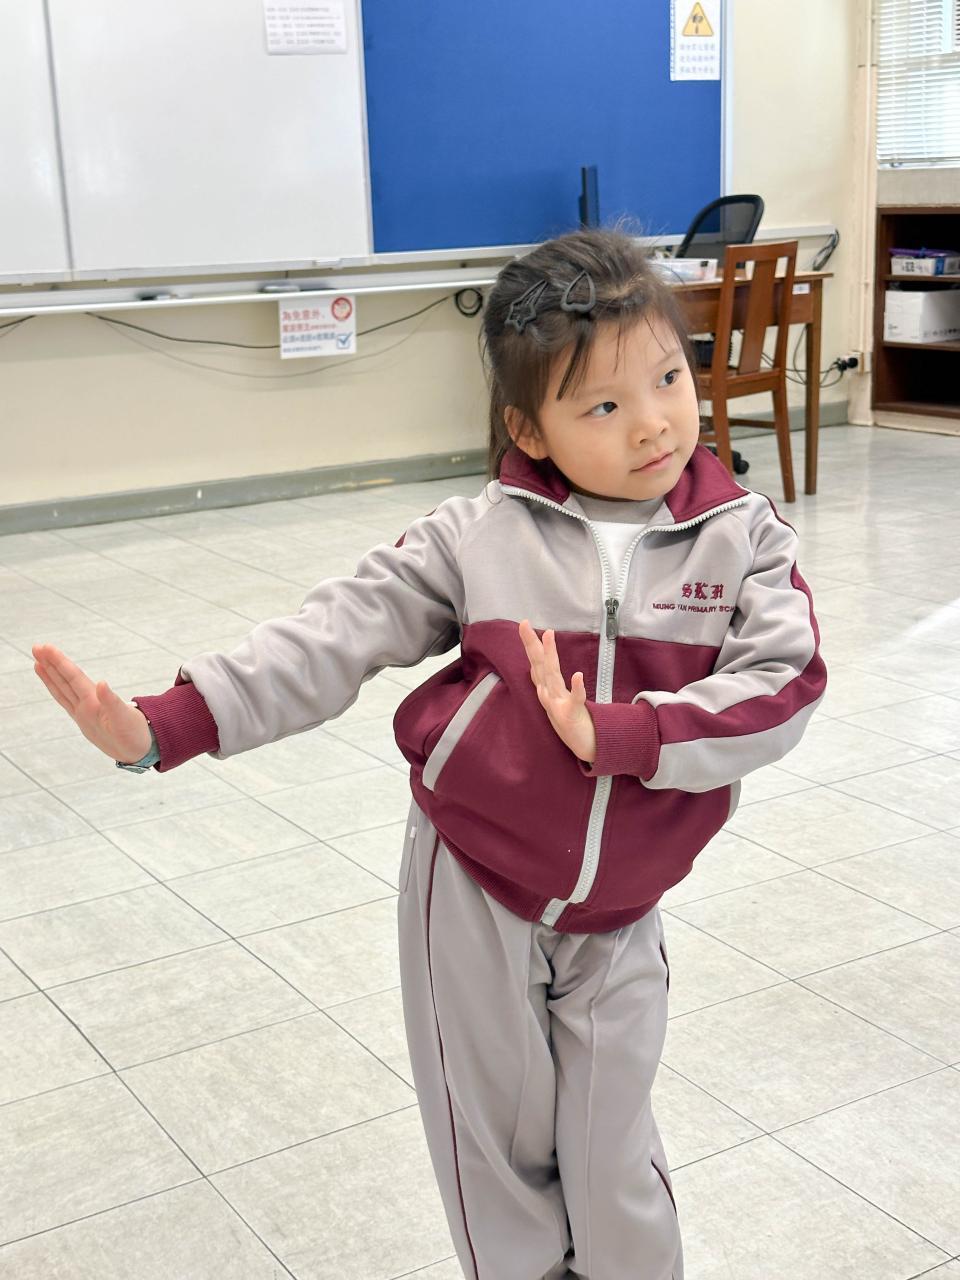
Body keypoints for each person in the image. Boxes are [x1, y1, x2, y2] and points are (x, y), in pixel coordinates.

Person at [32, 227, 826, 1280]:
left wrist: (631, 733)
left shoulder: (746, 538)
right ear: (527, 427)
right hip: (474, 890)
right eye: (602, 406)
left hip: (625, 906)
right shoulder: (475, 535)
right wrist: (171, 722)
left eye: (669, 379)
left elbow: (784, 684)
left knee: (613, 1156)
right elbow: (335, 632)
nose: (653, 422)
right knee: (496, 1151)